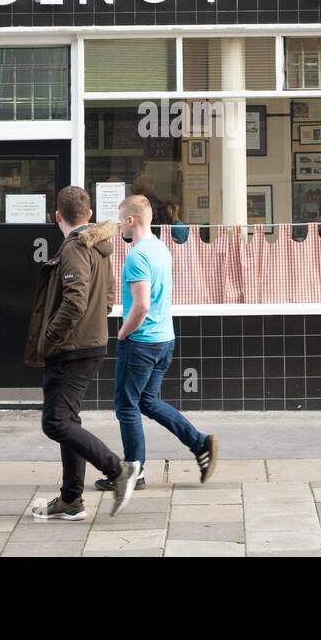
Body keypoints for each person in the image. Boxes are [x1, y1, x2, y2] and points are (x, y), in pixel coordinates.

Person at [23, 186, 139, 519]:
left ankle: (117, 470)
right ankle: (71, 499)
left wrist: (51, 335)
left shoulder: (76, 247)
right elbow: (107, 297)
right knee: (68, 420)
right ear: (87, 213)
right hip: (90, 342)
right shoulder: (100, 246)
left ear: (57, 216)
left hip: (71, 347)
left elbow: (75, 298)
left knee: (55, 422)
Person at [97, 194, 219, 492]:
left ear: (130, 220)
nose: (118, 227)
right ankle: (199, 443)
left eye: (120, 219)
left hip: (141, 341)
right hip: (164, 339)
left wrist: (123, 333)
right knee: (148, 401)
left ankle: (134, 472)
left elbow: (141, 306)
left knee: (126, 406)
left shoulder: (137, 257)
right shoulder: (160, 249)